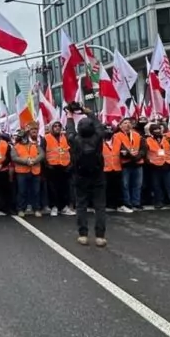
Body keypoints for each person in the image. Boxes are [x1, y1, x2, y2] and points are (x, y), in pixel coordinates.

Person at [65, 104, 107, 247]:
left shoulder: (74, 139)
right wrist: (87, 112)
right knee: (100, 206)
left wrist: (70, 115)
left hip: (80, 176)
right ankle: (100, 237)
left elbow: (69, 129)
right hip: (97, 175)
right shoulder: (98, 137)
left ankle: (83, 235)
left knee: (81, 205)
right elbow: (99, 125)